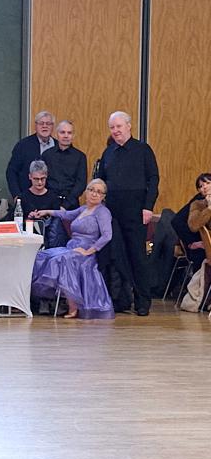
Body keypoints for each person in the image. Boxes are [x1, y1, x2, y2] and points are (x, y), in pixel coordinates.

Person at [96, 111, 159, 316]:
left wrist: (148, 207)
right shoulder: (108, 152)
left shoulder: (143, 150)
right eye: (112, 127)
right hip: (113, 213)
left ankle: (142, 301)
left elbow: (153, 179)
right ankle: (121, 299)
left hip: (136, 211)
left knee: (137, 256)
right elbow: (100, 181)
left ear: (129, 126)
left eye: (119, 126)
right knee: (117, 257)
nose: (115, 131)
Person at [31, 179, 115, 319]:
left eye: (99, 192)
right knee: (42, 255)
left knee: (64, 259)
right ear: (86, 192)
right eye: (92, 190)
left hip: (86, 253)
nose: (94, 194)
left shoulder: (102, 212)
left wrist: (89, 251)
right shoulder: (83, 209)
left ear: (103, 196)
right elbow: (66, 214)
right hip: (72, 247)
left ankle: (73, 305)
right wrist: (46, 211)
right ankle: (46, 301)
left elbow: (107, 235)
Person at [6, 111, 56, 201]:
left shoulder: (58, 146)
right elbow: (11, 172)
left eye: (48, 123)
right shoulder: (23, 145)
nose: (45, 126)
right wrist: (17, 195)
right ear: (35, 126)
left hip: (52, 199)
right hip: (27, 198)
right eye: (41, 123)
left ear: (53, 126)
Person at [41, 120, 87, 207]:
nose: (66, 136)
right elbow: (43, 179)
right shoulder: (46, 155)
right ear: (56, 134)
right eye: (62, 132)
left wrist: (66, 205)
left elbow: (81, 184)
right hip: (49, 203)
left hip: (71, 205)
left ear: (73, 135)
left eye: (69, 133)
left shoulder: (80, 157)